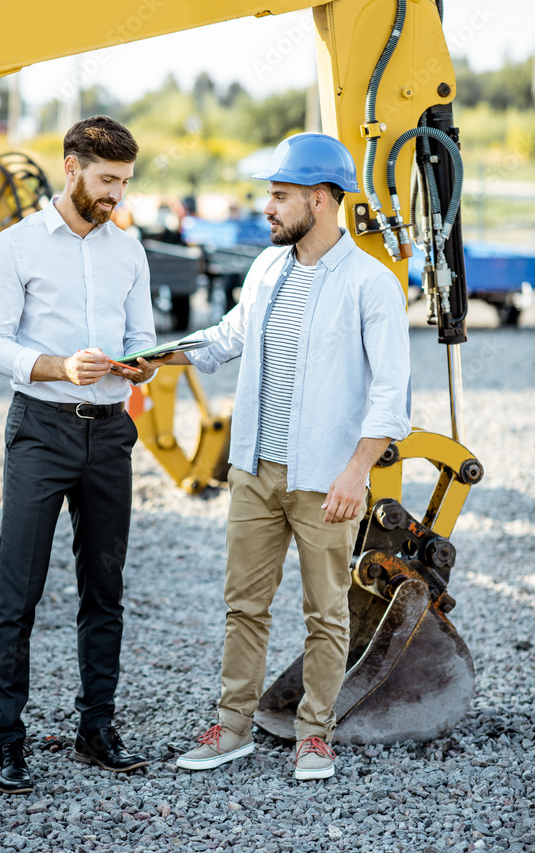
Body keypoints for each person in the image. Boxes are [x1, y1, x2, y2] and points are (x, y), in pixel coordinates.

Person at [157, 133, 411, 780]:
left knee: (324, 612)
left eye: (279, 196)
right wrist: (159, 357)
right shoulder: (266, 269)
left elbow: (390, 392)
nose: (267, 207)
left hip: (324, 478)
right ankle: (232, 727)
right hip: (253, 472)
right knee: (243, 604)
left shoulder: (369, 283)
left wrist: (357, 472)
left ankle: (313, 736)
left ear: (320, 200)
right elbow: (227, 337)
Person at [0, 116, 163, 794]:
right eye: (107, 180)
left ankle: (97, 729)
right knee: (17, 592)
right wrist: (59, 366)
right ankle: (6, 742)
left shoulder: (128, 250)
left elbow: (141, 335)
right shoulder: (14, 246)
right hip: (41, 429)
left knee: (104, 589)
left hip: (111, 433)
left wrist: (140, 366)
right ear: (71, 169)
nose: (116, 195)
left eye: (124, 182)